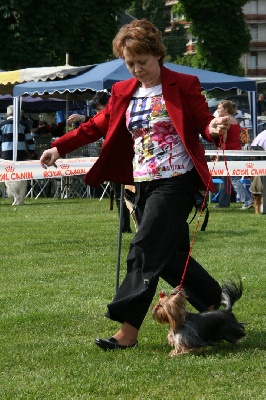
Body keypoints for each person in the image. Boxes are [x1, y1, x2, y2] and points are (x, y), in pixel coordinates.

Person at [40, 19, 229, 351]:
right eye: (130, 64)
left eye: (143, 62)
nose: (137, 69)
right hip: (140, 183)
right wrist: (59, 147)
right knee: (169, 255)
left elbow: (204, 123)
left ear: (157, 54)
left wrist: (215, 126)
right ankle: (215, 305)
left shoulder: (183, 84)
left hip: (176, 181)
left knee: (143, 249)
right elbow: (96, 125)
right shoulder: (122, 91)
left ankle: (127, 332)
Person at [67, 91, 132, 233]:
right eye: (96, 110)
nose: (98, 113)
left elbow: (103, 122)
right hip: (114, 159)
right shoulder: (104, 117)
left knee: (132, 196)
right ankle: (124, 228)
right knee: (119, 196)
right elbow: (96, 124)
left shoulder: (121, 116)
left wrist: (83, 117)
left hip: (129, 160)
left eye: (99, 109)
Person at [214, 100, 253, 210]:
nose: (217, 110)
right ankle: (223, 203)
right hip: (237, 151)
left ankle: (247, 200)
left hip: (229, 152)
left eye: (219, 108)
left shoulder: (225, 121)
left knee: (233, 178)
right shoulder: (235, 119)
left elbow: (223, 139)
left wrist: (217, 154)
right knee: (226, 178)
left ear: (226, 109)